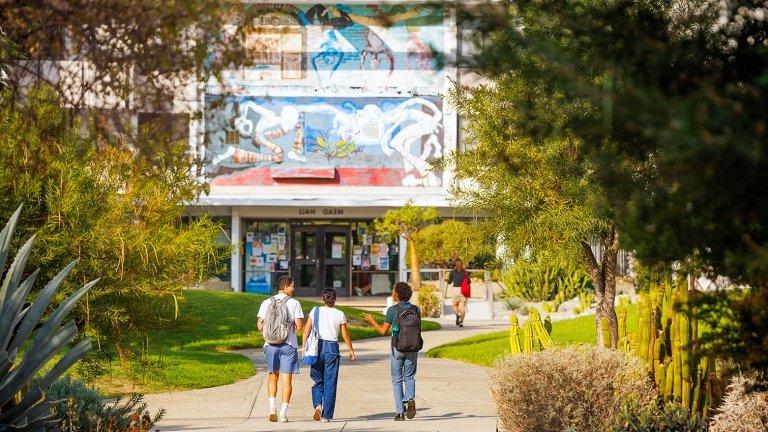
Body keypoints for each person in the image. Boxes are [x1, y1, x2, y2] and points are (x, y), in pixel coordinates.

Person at [362, 282, 422, 421]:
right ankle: (410, 397)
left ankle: (400, 413)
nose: (392, 293)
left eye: (394, 291)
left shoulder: (392, 310)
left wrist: (372, 321)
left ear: (397, 294)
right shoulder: (416, 310)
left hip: (397, 348)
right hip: (413, 347)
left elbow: (383, 331)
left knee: (397, 380)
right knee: (410, 377)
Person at [301, 288, 356, 422]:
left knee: (317, 380)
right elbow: (345, 335)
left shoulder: (315, 311)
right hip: (332, 348)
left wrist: (304, 347)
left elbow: (306, 330)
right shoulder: (340, 314)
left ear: (323, 298)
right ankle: (326, 416)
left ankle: (318, 405)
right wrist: (350, 350)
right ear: (335, 299)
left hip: (316, 347)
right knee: (330, 382)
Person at [257, 276, 304, 423]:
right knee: (287, 380)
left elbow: (259, 325)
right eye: (292, 286)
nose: (294, 288)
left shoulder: (266, 302)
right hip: (288, 345)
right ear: (285, 287)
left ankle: (272, 408)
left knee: (272, 376)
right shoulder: (294, 303)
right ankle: (283, 414)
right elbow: (300, 327)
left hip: (269, 345)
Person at [447, 258, 471, 327]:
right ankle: (461, 322)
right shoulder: (465, 272)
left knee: (454, 305)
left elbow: (449, 282)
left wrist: (448, 279)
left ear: (455, 264)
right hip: (463, 290)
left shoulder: (452, 272)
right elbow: (469, 282)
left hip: (455, 290)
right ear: (462, 264)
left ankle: (457, 315)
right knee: (462, 307)